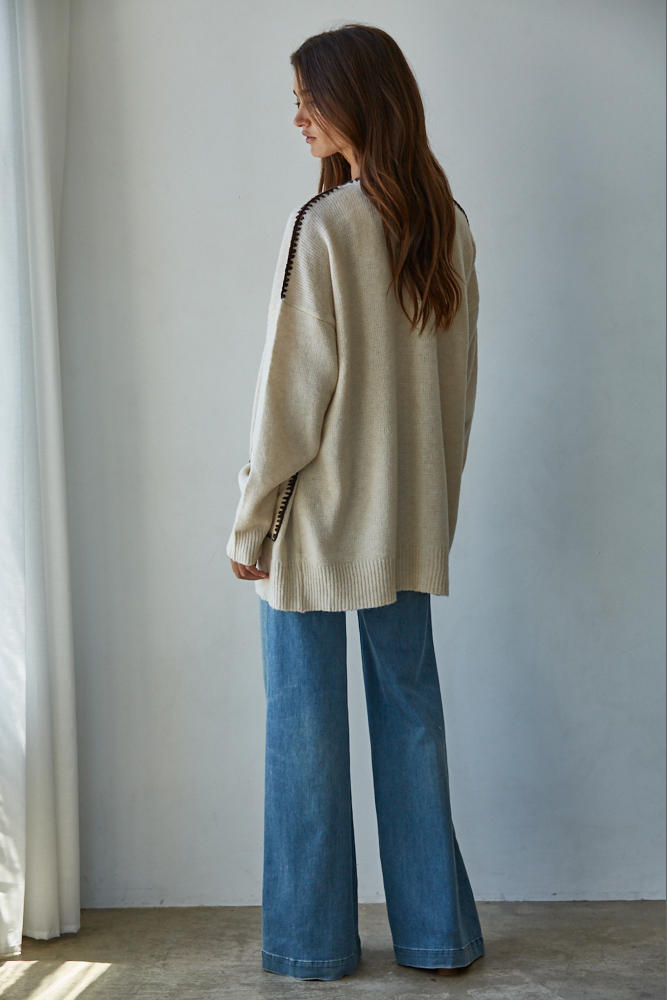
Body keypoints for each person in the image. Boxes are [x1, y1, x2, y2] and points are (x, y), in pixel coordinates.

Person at [226, 22, 484, 982]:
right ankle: (436, 938)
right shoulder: (446, 224)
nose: (296, 118)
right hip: (405, 525)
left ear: (357, 100)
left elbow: (288, 401)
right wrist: (430, 509)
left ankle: (311, 944)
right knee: (411, 721)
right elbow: (458, 390)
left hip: (313, 526)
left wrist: (251, 520)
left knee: (302, 734)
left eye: (309, 100)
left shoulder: (325, 226)